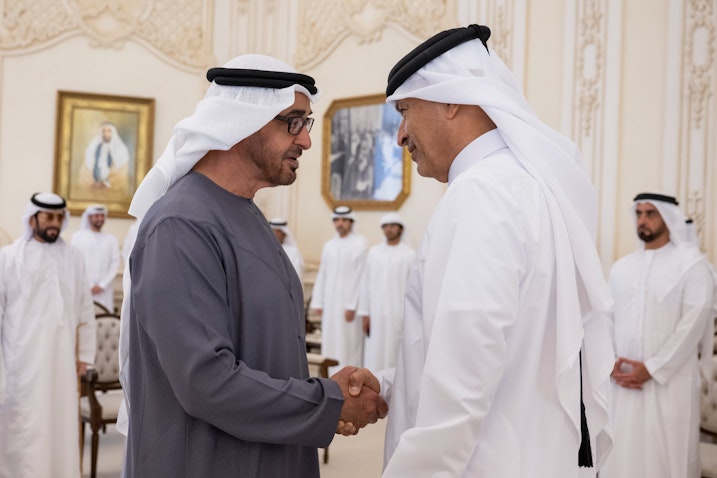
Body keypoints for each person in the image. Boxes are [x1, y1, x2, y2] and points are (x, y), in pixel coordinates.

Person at [348, 24, 616, 477]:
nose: (401, 135)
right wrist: (393, 385)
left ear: (452, 100)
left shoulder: (483, 193)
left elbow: (463, 386)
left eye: (406, 111)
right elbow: (496, 348)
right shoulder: (525, 186)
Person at [120, 54, 386, 477]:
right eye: (293, 122)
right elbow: (206, 381)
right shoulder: (180, 225)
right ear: (242, 122)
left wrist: (330, 394)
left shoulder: (244, 214)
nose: (305, 141)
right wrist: (329, 402)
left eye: (306, 124)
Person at [601, 193, 715, 478]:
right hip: (624, 381)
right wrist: (610, 360)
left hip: (669, 384)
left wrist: (652, 368)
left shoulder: (692, 265)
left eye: (650, 213)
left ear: (668, 217)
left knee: (667, 459)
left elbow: (693, 324)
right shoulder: (622, 267)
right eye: (639, 214)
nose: (643, 220)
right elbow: (607, 317)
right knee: (623, 456)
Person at [0, 192, 96, 478]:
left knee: (60, 426)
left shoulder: (74, 257)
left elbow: (85, 309)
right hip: (21, 363)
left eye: (58, 217)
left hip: (61, 364)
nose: (54, 223)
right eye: (47, 217)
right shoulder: (8, 258)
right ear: (33, 219)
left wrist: (85, 356)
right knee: (24, 431)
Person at [310, 206, 368, 374]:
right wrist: (318, 301)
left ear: (351, 222)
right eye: (337, 220)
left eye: (344, 220)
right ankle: (333, 379)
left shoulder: (360, 244)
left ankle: (351, 379)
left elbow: (361, 278)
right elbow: (323, 273)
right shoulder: (329, 245)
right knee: (331, 342)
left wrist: (352, 305)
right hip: (331, 305)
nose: (340, 223)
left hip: (350, 307)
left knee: (349, 344)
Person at [357, 212, 415, 370]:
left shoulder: (409, 254)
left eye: (393, 226)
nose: (389, 229)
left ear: (400, 229)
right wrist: (365, 314)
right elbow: (366, 283)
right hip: (375, 314)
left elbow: (413, 288)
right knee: (374, 351)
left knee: (394, 352)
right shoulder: (374, 253)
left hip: (399, 314)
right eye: (386, 226)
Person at [71, 204, 121, 313]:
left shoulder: (111, 239)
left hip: (104, 291)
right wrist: (89, 285)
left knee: (104, 320)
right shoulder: (78, 237)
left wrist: (102, 285)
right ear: (89, 217)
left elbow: (115, 263)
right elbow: (74, 262)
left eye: (102, 216)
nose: (100, 219)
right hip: (84, 288)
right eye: (97, 216)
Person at [83, 121, 130, 189]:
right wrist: (92, 183)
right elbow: (84, 171)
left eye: (109, 131)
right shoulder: (93, 148)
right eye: (103, 131)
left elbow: (122, 174)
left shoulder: (121, 151)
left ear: (113, 133)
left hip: (112, 189)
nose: (105, 133)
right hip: (94, 187)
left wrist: (105, 183)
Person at [269, 217, 304, 282]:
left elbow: (296, 274)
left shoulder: (293, 251)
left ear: (284, 233)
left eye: (278, 231)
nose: (275, 234)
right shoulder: (266, 249)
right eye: (273, 231)